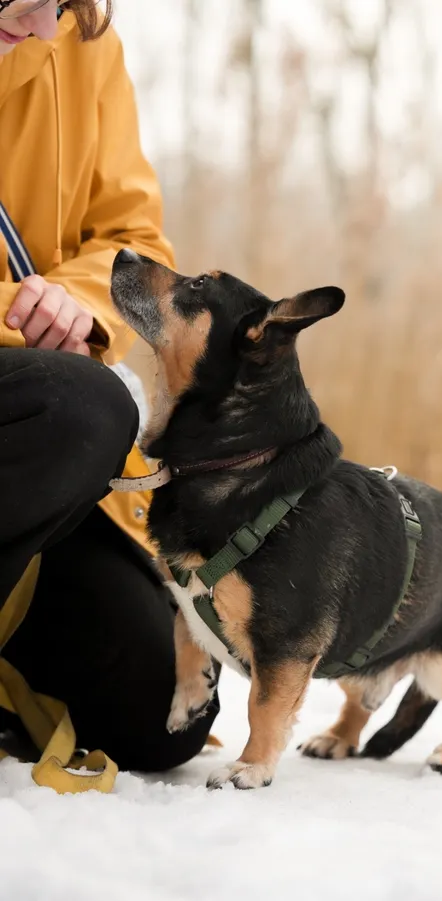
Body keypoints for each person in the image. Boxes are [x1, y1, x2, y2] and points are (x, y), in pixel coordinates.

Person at [0, 0, 219, 774]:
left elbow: (132, 237)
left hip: (31, 422)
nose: (41, 29)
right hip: (36, 399)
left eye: (59, 3)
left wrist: (75, 304)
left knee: (168, 713)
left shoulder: (82, 40)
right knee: (80, 406)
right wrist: (17, 315)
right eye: (23, 3)